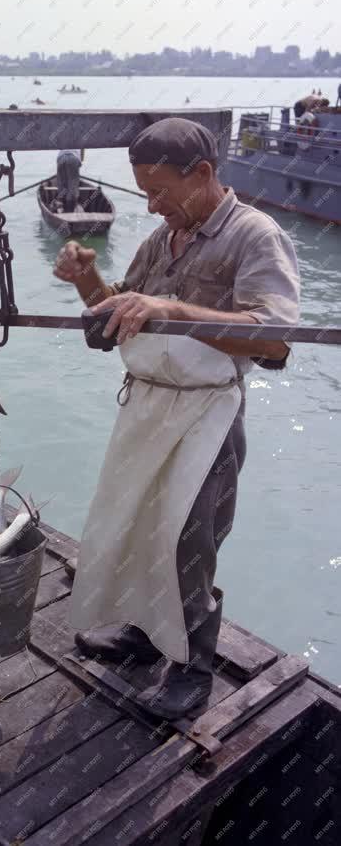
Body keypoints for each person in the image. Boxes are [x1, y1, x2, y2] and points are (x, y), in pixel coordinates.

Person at [54, 117, 300, 720]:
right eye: (145, 192)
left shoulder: (254, 235)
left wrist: (169, 305)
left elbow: (273, 338)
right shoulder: (161, 239)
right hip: (147, 403)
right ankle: (144, 633)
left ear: (205, 174)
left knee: (190, 540)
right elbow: (120, 317)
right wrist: (88, 278)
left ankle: (192, 667)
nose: (154, 204)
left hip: (208, 412)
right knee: (142, 525)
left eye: (162, 191)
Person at [54, 148, 84, 213]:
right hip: (74, 158)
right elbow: (82, 158)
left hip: (61, 158)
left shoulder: (65, 138)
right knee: (72, 186)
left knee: (62, 185)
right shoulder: (81, 139)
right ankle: (69, 209)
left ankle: (60, 203)